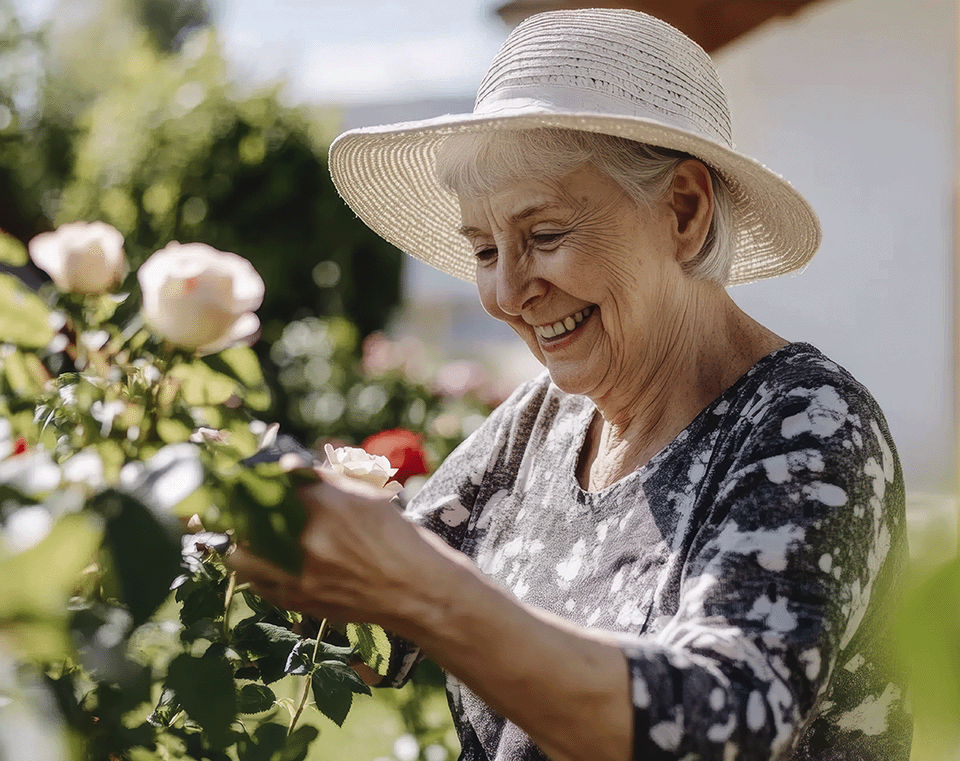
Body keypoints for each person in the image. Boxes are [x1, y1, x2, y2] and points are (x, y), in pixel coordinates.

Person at [228, 8, 911, 760]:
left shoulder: (808, 429)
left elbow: (721, 723)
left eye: (545, 236)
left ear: (683, 210)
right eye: (485, 248)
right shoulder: (540, 423)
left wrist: (425, 587)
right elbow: (369, 637)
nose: (509, 291)